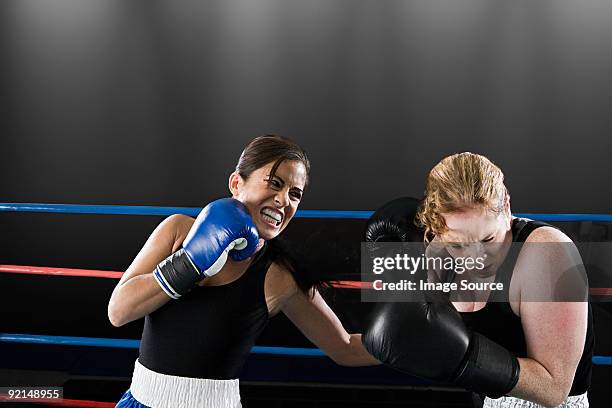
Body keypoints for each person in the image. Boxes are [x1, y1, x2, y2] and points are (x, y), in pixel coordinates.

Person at [108, 135, 378, 408]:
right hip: (139, 400)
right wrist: (189, 263)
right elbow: (118, 312)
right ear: (237, 183)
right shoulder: (177, 231)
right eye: (275, 183)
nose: (284, 200)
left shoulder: (278, 275)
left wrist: (414, 336)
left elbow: (345, 348)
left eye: (295, 194)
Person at [362, 152, 593, 408]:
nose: (476, 257)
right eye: (459, 244)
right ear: (436, 230)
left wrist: (467, 357)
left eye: (487, 239)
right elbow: (390, 337)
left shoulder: (547, 252)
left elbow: (554, 390)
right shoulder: (438, 254)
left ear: (505, 205)